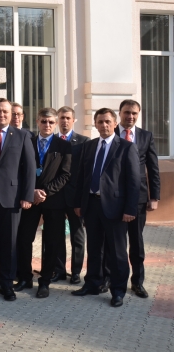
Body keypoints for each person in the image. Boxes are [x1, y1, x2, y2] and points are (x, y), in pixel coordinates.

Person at [73, 108, 140, 307]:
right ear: (95, 124)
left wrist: (130, 209)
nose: (104, 125)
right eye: (100, 122)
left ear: (115, 123)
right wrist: (78, 203)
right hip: (91, 205)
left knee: (117, 252)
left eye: (108, 121)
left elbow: (133, 182)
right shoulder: (89, 146)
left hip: (116, 208)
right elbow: (82, 177)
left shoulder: (126, 147)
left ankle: (118, 291)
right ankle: (93, 283)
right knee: (94, 248)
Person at [0, 98, 36, 301]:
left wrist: (27, 196)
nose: (2, 114)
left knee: (9, 244)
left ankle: (6, 284)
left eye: (5, 111)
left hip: (12, 200)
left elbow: (29, 168)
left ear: (11, 114)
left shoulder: (22, 136)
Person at [14, 108, 71, 299]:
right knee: (24, 239)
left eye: (51, 122)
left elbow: (65, 174)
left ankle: (45, 281)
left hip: (53, 201)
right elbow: (19, 170)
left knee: (52, 242)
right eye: (43, 121)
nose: (47, 125)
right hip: (29, 199)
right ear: (37, 122)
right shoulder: (28, 142)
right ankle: (25, 277)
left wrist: (45, 191)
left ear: (56, 124)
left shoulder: (63, 146)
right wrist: (31, 191)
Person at [113, 99, 160, 299]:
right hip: (114, 197)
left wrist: (154, 196)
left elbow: (153, 168)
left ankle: (137, 282)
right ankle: (112, 278)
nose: (130, 116)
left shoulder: (145, 136)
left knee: (137, 242)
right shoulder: (110, 132)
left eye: (134, 113)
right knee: (115, 242)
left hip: (139, 198)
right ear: (120, 113)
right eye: (127, 112)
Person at [54, 106, 88, 285]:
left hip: (75, 197)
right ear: (57, 120)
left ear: (74, 120)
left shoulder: (83, 142)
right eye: (62, 118)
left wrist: (82, 198)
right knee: (57, 235)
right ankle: (59, 270)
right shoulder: (52, 141)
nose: (65, 121)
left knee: (77, 235)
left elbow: (85, 171)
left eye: (68, 118)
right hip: (55, 196)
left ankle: (76, 272)